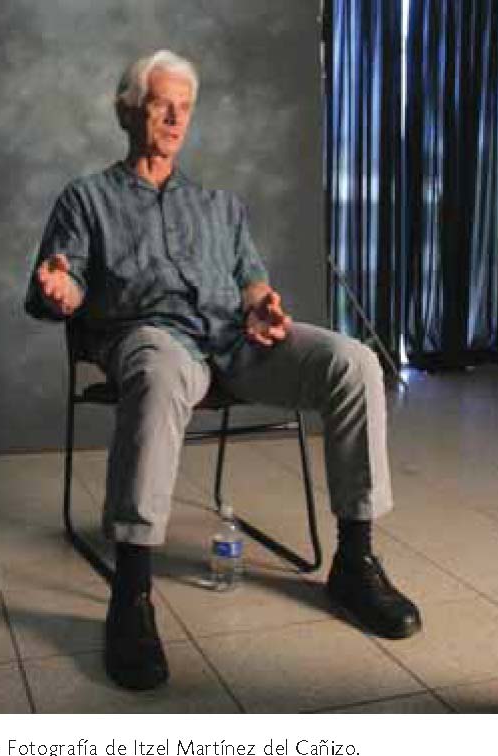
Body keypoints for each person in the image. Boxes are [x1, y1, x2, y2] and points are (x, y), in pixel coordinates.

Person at [25, 50, 422, 691]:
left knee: (353, 362)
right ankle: (131, 592)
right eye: (162, 103)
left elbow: (252, 282)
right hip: (152, 340)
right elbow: (62, 282)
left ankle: (355, 560)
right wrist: (60, 292)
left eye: (185, 106)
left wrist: (262, 305)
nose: (176, 117)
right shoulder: (87, 199)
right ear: (128, 111)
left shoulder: (220, 206)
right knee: (157, 369)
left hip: (235, 344)